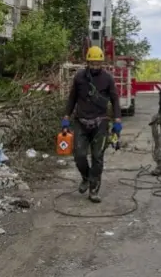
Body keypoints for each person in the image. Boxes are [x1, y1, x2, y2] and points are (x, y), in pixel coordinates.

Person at [62, 46, 122, 203]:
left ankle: (94, 190)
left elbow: (115, 99)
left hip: (100, 123)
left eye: (98, 63)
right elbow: (72, 98)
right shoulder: (79, 77)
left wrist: (117, 120)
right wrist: (66, 117)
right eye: (92, 63)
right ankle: (86, 177)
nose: (95, 66)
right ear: (87, 62)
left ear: (101, 63)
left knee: (97, 157)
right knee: (79, 155)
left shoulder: (107, 78)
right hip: (81, 121)